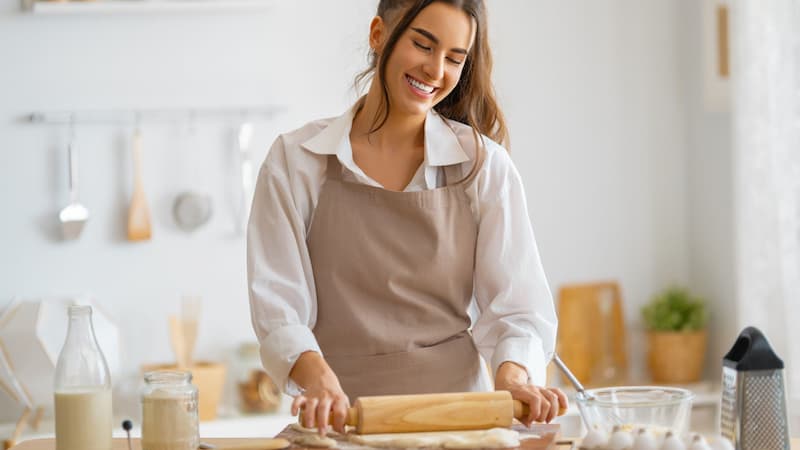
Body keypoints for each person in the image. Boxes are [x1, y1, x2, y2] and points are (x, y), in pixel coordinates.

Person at [247, 0, 567, 436]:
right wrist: (318, 381)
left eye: (455, 58)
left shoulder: (483, 167)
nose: (436, 71)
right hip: (342, 425)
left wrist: (513, 379)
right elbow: (279, 308)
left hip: (463, 425)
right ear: (378, 35)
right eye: (423, 45)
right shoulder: (296, 161)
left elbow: (516, 309)